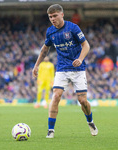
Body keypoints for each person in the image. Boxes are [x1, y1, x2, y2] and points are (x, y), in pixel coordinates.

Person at [32, 4, 98, 138]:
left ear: (62, 14)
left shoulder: (73, 28)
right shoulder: (50, 31)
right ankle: (51, 130)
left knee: (82, 101)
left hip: (78, 68)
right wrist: (36, 65)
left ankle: (90, 121)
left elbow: (86, 45)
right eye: (50, 17)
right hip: (62, 68)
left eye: (55, 16)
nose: (52, 19)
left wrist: (80, 59)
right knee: (56, 95)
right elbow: (45, 49)